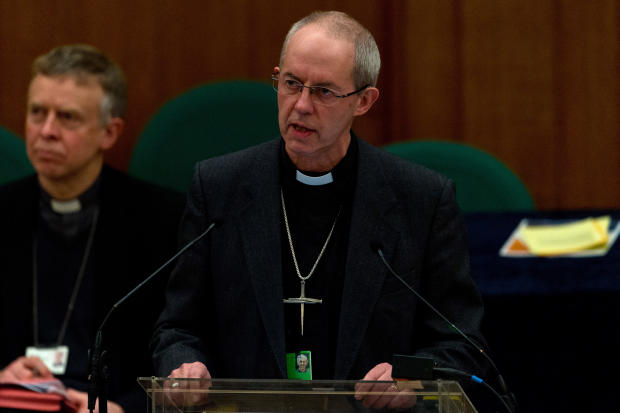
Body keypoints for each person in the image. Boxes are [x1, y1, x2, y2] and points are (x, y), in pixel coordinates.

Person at [151, 10, 492, 410]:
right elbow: (177, 326)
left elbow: (461, 342)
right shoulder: (219, 187)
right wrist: (185, 365)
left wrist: (413, 379)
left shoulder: (421, 199)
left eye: (325, 92)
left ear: (363, 101)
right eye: (291, 84)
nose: (301, 105)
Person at [0, 44, 185, 413]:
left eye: (67, 117)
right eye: (37, 112)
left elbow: (180, 353)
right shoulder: (3, 210)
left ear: (109, 133)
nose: (46, 131)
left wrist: (124, 408)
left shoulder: (161, 220)